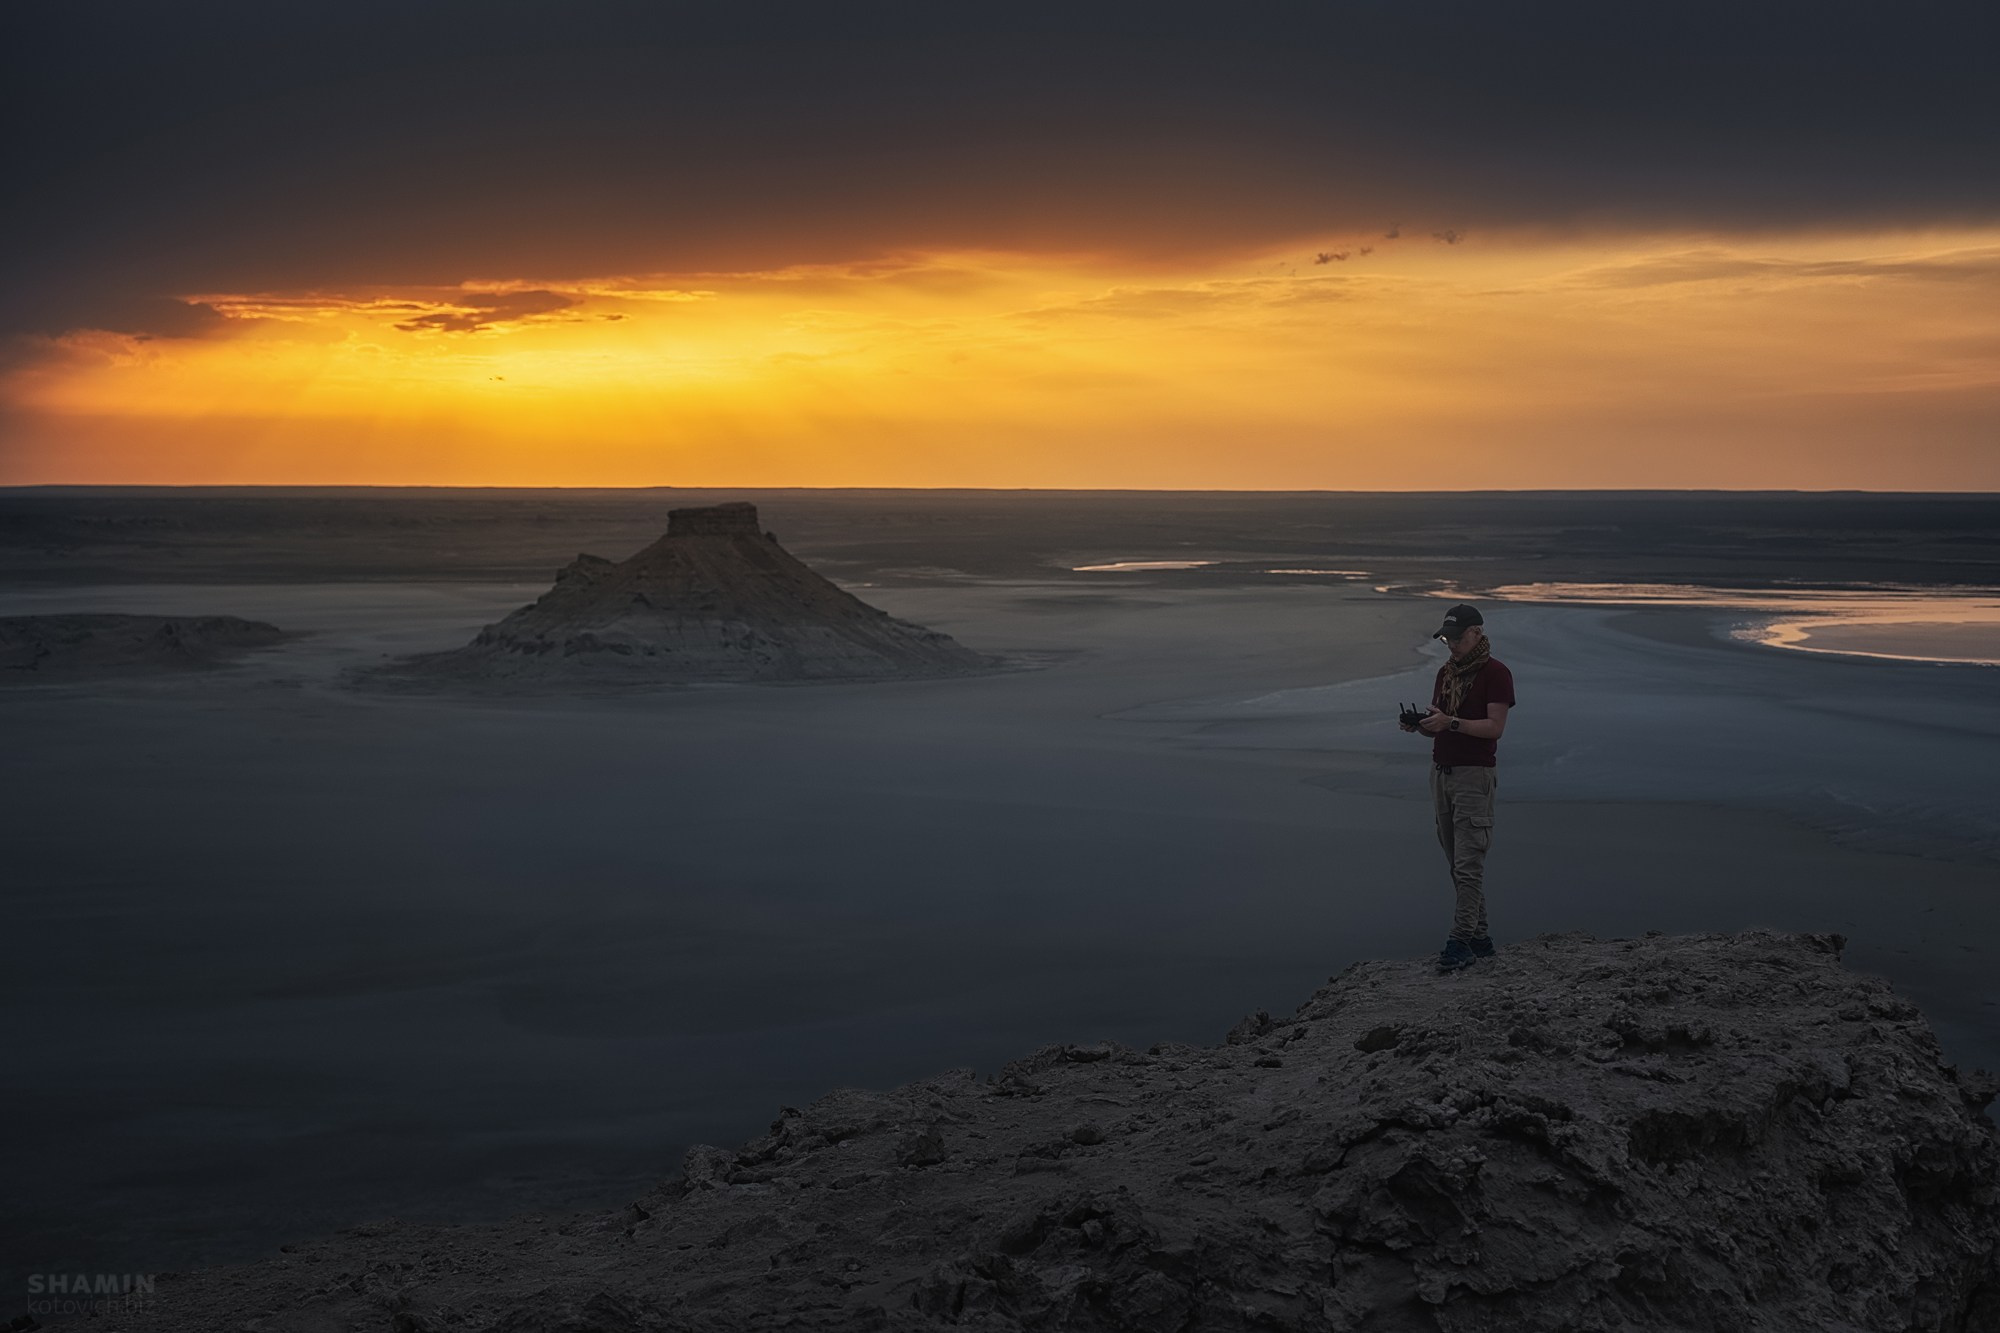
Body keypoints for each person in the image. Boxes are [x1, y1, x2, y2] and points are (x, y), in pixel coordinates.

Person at [1400, 603, 1515, 972]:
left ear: (1477, 634)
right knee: (1456, 863)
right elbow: (1443, 722)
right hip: (1442, 774)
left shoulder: (1496, 674)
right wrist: (1422, 725)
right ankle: (1480, 939)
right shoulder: (1446, 673)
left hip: (1473, 777)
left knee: (1468, 864)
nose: (1450, 644)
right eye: (1446, 638)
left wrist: (1449, 724)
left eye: (1456, 637)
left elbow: (1494, 727)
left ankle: (1460, 941)